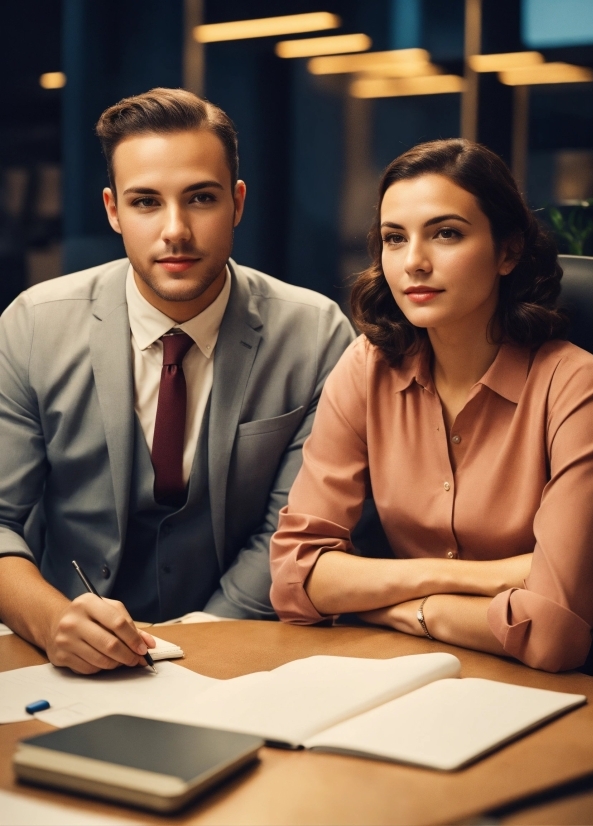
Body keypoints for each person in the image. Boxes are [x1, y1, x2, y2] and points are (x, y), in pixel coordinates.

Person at [0, 88, 353, 674]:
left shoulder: (316, 337)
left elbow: (292, 533)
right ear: (112, 211)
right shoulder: (34, 326)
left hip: (247, 649)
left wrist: (205, 646)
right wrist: (50, 620)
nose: (176, 231)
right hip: (63, 654)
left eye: (201, 198)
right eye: (145, 202)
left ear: (237, 202)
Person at [270, 138, 593, 673]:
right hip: (403, 675)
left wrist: (401, 609)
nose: (414, 262)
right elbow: (293, 577)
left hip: (547, 693)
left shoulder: (576, 387)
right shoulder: (367, 366)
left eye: (446, 233)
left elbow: (555, 634)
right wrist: (482, 578)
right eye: (394, 238)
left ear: (508, 251)